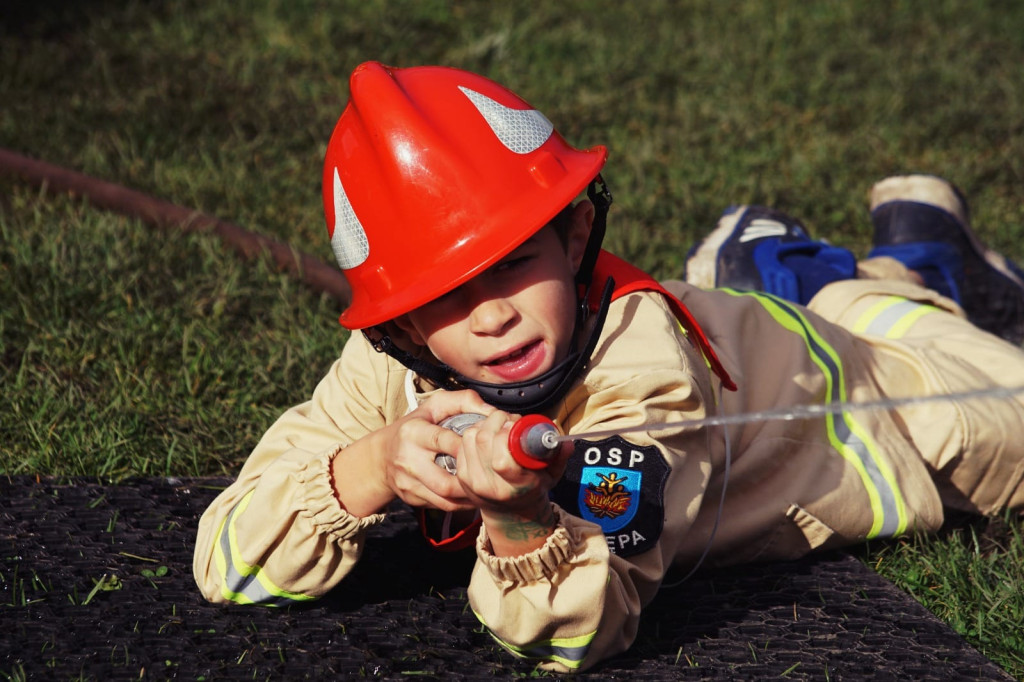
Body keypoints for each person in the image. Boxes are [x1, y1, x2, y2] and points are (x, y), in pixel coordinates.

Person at [193, 61, 1024, 673]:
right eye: (445, 296)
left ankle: (914, 274)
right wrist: (366, 466)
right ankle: (806, 270)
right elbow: (227, 561)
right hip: (761, 331)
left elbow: (577, 631)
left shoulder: (643, 374)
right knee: (827, 308)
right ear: (401, 323)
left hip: (878, 408)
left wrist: (520, 518)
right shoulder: (383, 367)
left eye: (514, 263)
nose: (490, 316)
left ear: (576, 238)